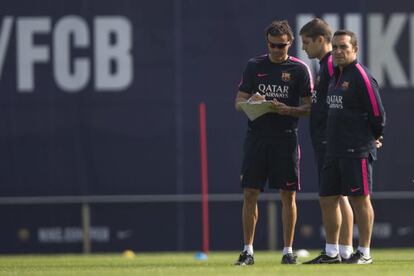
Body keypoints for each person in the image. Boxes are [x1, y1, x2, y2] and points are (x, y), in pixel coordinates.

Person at [303, 30, 386, 264]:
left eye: (344, 47)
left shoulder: (361, 76)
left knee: (360, 199)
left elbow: (378, 115)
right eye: (336, 47)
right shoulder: (335, 75)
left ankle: (365, 253)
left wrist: (373, 137)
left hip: (356, 148)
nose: (338, 51)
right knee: (328, 197)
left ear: (355, 50)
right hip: (333, 148)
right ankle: (331, 253)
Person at [234, 20, 313, 265]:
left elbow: (310, 108)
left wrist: (287, 110)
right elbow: (238, 102)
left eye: (281, 46)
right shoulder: (254, 65)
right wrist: (254, 102)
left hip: (285, 138)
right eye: (272, 46)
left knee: (288, 195)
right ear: (267, 43)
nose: (276, 50)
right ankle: (248, 251)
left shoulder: (299, 69)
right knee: (250, 193)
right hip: (257, 137)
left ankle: (287, 251)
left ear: (290, 43)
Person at [299, 18, 354, 261]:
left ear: (321, 40)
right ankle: (343, 250)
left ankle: (340, 250)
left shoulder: (331, 65)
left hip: (329, 139)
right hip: (326, 138)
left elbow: (343, 101)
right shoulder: (326, 65)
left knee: (334, 195)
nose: (303, 48)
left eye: (306, 42)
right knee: (339, 195)